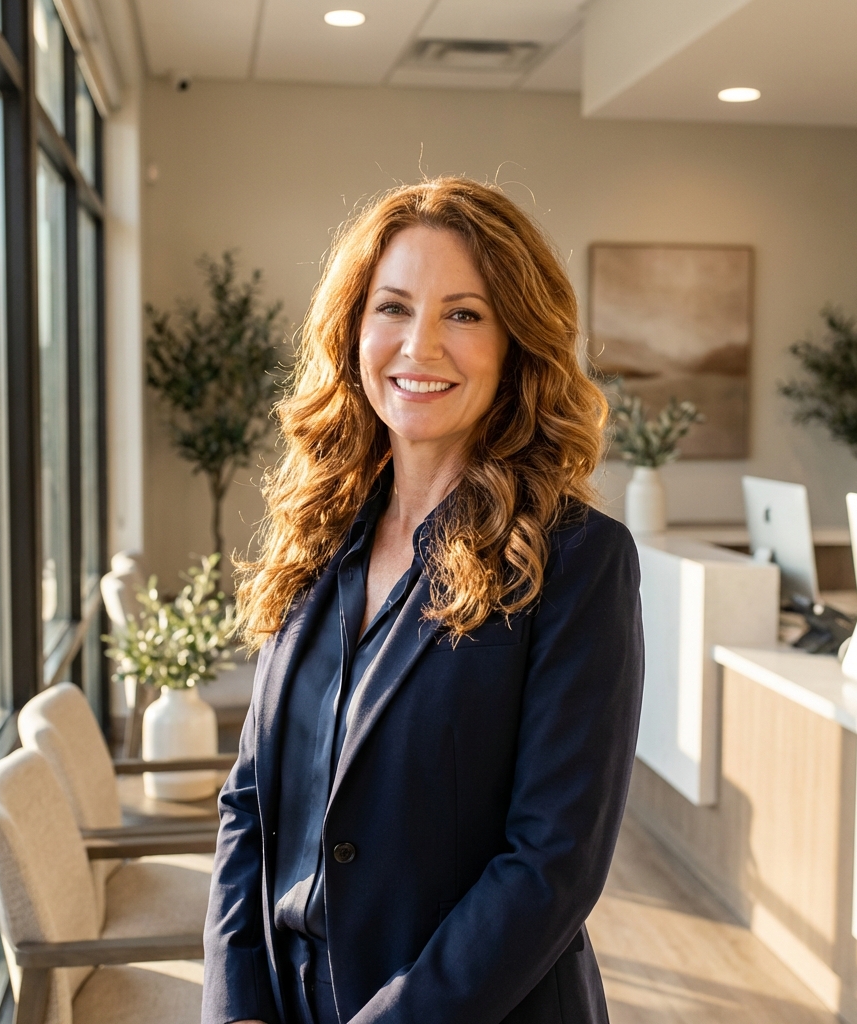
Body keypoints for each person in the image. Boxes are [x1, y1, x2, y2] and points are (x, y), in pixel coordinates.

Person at [202, 177, 644, 1024]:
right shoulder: (318, 538)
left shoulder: (580, 561)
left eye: (464, 314)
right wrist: (238, 1007)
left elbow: (551, 864)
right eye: (394, 308)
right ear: (354, 331)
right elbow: (249, 801)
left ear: (517, 345)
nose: (420, 345)